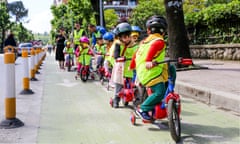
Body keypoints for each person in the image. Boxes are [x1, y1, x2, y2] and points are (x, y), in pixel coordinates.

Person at [129, 15, 168, 121]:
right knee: (159, 92)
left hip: (142, 71)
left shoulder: (143, 42)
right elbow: (152, 51)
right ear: (163, 32)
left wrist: (132, 66)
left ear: (148, 31)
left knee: (170, 68)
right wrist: (148, 61)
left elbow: (135, 55)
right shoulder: (159, 41)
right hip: (150, 72)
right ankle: (143, 109)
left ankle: (163, 96)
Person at [112, 22, 139, 108]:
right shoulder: (118, 44)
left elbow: (139, 53)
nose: (127, 38)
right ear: (120, 37)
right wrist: (119, 58)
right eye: (124, 37)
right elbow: (116, 55)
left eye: (128, 36)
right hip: (121, 67)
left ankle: (136, 99)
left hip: (131, 67)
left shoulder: (135, 45)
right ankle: (116, 99)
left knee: (134, 84)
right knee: (119, 84)